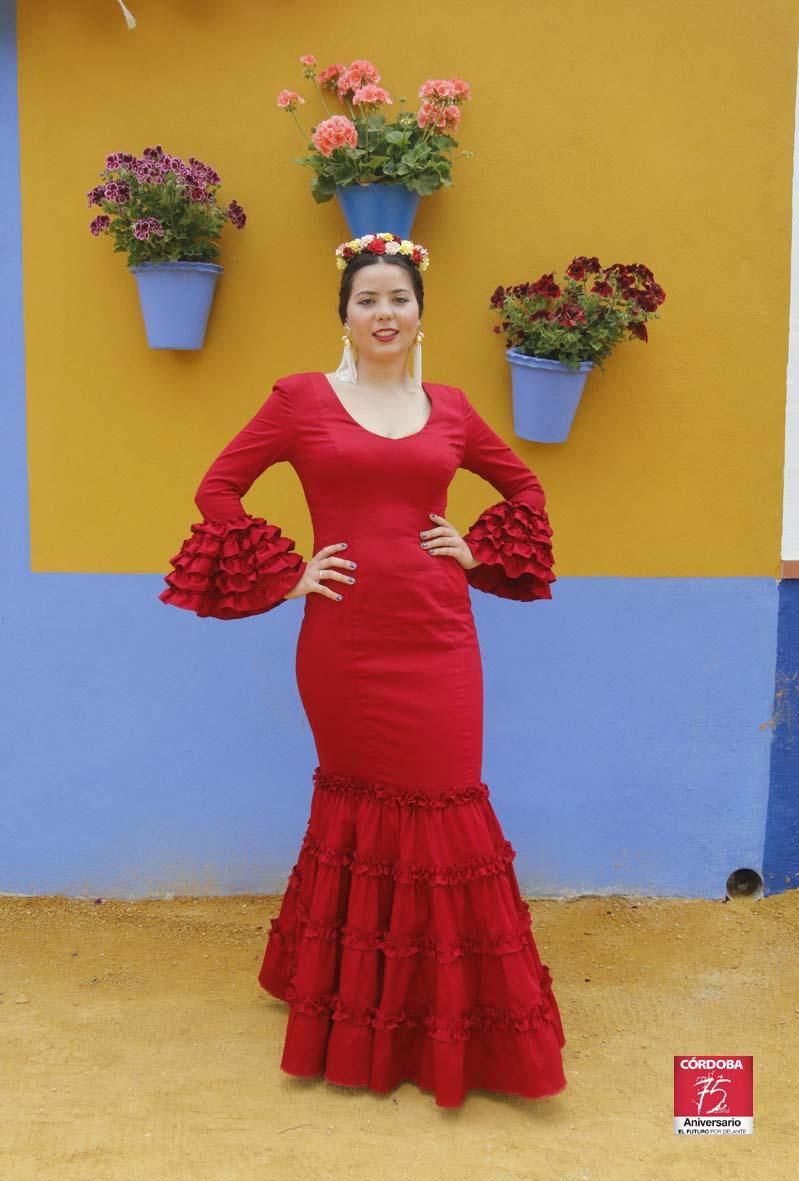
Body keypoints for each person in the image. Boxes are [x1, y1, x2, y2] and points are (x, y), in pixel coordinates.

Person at [159, 231, 567, 1108]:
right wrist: (287, 570)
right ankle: (359, 1010)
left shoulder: (453, 409)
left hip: (440, 638)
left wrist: (472, 548)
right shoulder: (302, 400)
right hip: (343, 643)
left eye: (399, 299)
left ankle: (441, 1019)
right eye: (368, 299)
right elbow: (217, 488)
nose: (385, 313)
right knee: (358, 807)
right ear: (343, 316)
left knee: (446, 804)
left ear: (421, 315)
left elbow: (524, 489)